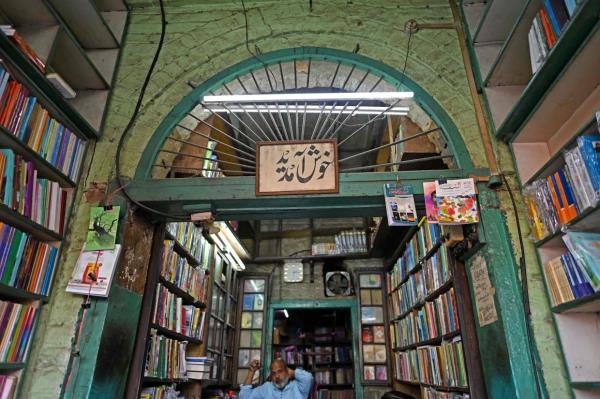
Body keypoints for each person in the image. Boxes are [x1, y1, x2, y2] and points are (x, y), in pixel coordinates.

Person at [239, 359, 313, 399]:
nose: (277, 376)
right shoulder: (267, 388)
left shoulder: (298, 387)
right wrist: (251, 372)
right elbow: (245, 397)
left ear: (287, 371)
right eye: (274, 373)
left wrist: (292, 373)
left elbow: (308, 378)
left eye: (280, 371)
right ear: (271, 376)